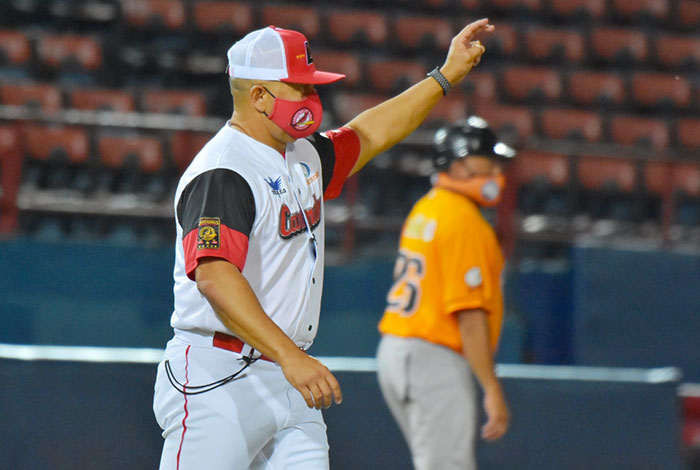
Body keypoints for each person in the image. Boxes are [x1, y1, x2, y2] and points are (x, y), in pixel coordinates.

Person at [153, 19, 494, 470]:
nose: (311, 98)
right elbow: (215, 278)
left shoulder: (301, 155)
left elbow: (371, 133)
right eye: (298, 87)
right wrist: (289, 356)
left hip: (288, 374)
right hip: (219, 376)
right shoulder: (224, 170)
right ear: (259, 96)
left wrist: (444, 77)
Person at [376, 116, 515, 470]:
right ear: (458, 164)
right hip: (432, 357)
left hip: (399, 351)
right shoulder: (463, 220)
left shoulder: (429, 206)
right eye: (487, 160)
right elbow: (469, 316)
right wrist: (491, 388)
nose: (496, 170)